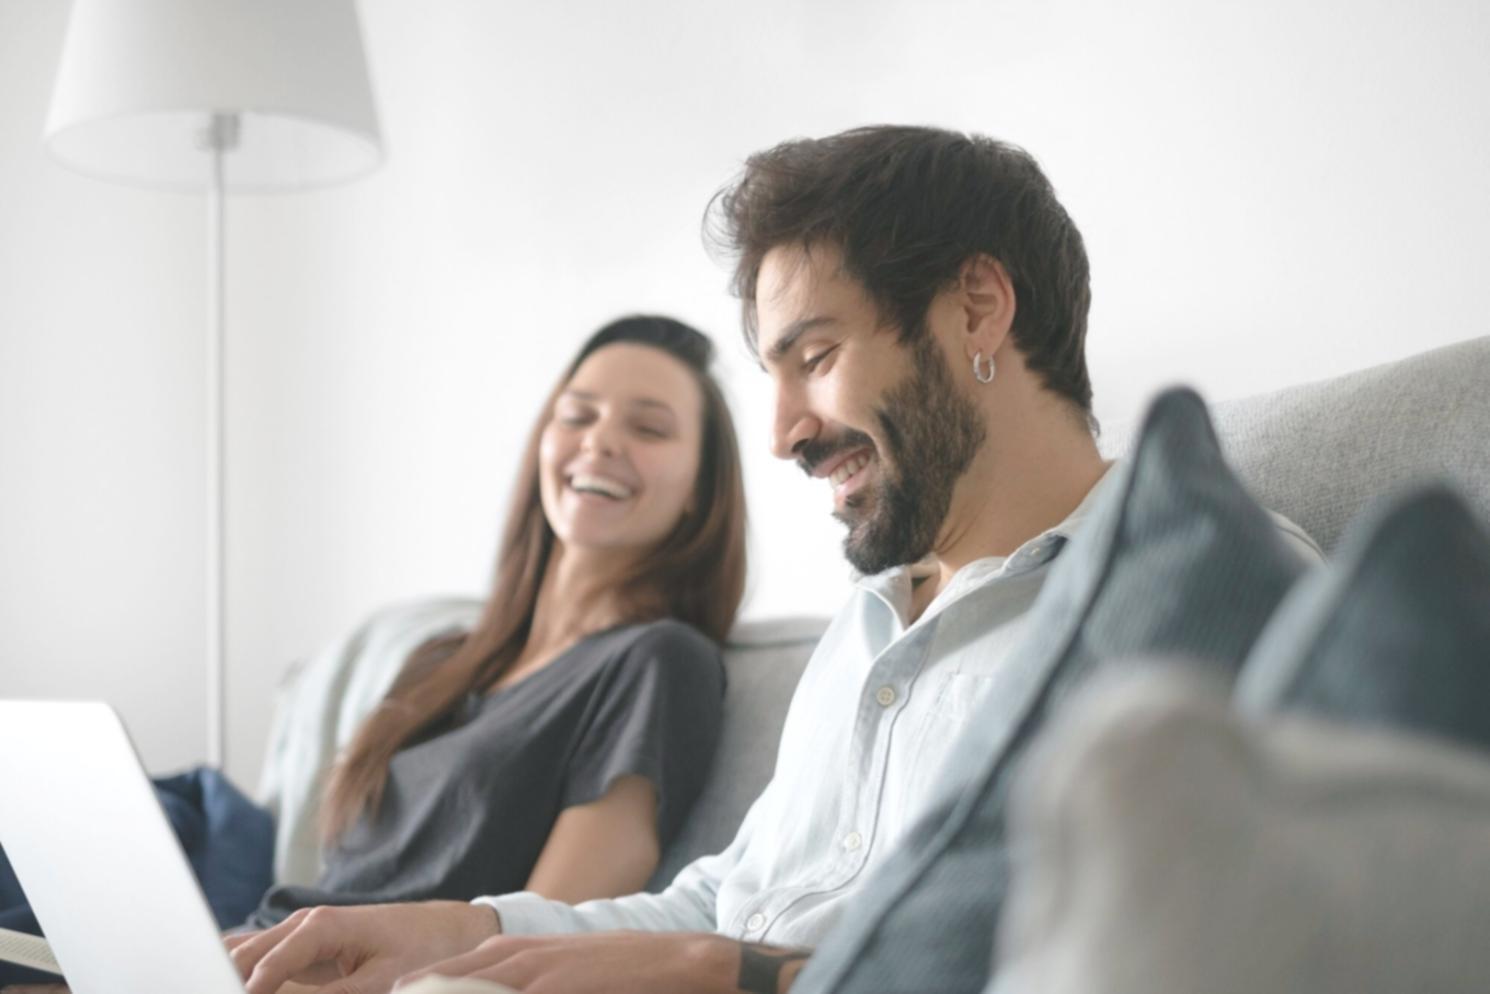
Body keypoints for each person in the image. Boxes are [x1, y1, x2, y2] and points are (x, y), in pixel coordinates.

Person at [225, 126, 1295, 994]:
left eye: (815, 357)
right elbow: (720, 902)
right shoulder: (869, 625)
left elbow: (1157, 959)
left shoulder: (1189, 578)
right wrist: (452, 933)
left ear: (978, 306)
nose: (782, 432)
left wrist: (737, 976)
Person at [250, 314, 748, 924]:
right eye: (577, 416)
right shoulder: (440, 660)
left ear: (702, 486)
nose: (600, 442)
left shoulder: (661, 664)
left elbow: (543, 935)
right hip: (262, 950)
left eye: (648, 427)